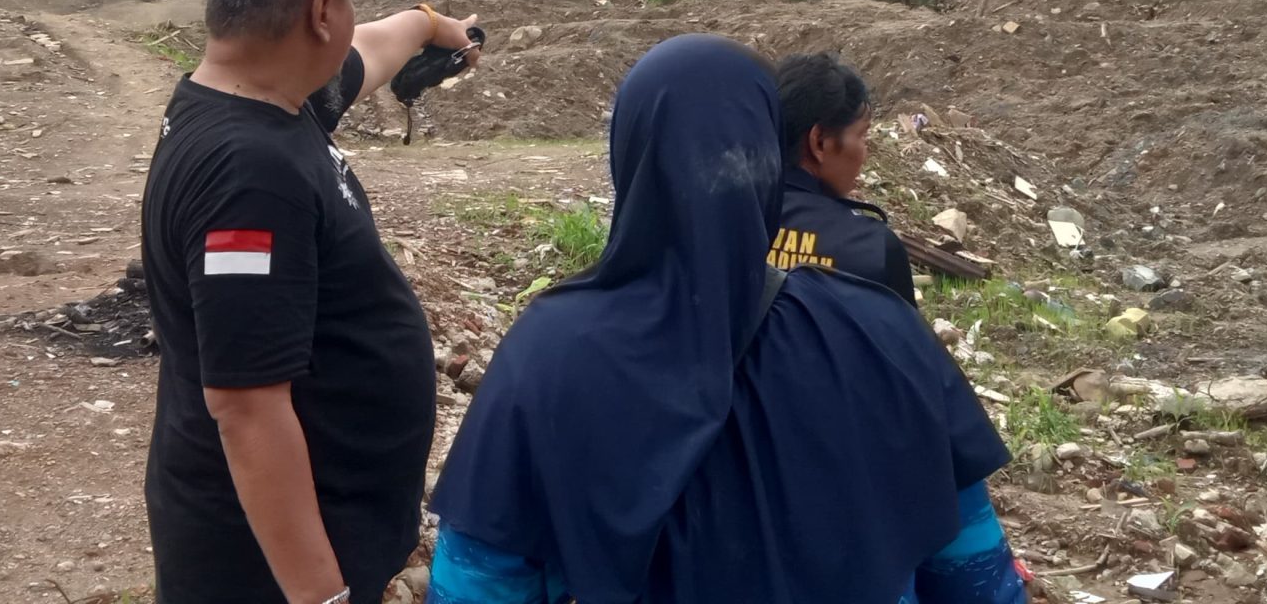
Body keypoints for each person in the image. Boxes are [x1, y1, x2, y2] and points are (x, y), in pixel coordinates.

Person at [425, 36, 1025, 604]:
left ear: (629, 156)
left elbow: (478, 581)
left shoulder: (546, 356)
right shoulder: (884, 332)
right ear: (770, 155)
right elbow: (976, 573)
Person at [139, 0, 482, 604]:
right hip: (267, 568)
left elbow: (368, 53)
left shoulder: (260, 99)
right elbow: (246, 407)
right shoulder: (249, 175)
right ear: (321, 12)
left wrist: (430, 26)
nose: (354, 19)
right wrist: (321, 597)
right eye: (348, 2)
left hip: (309, 536)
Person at [770, 52, 915, 305]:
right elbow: (904, 342)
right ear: (820, 142)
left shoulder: (723, 225)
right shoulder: (874, 249)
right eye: (861, 136)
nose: (864, 152)